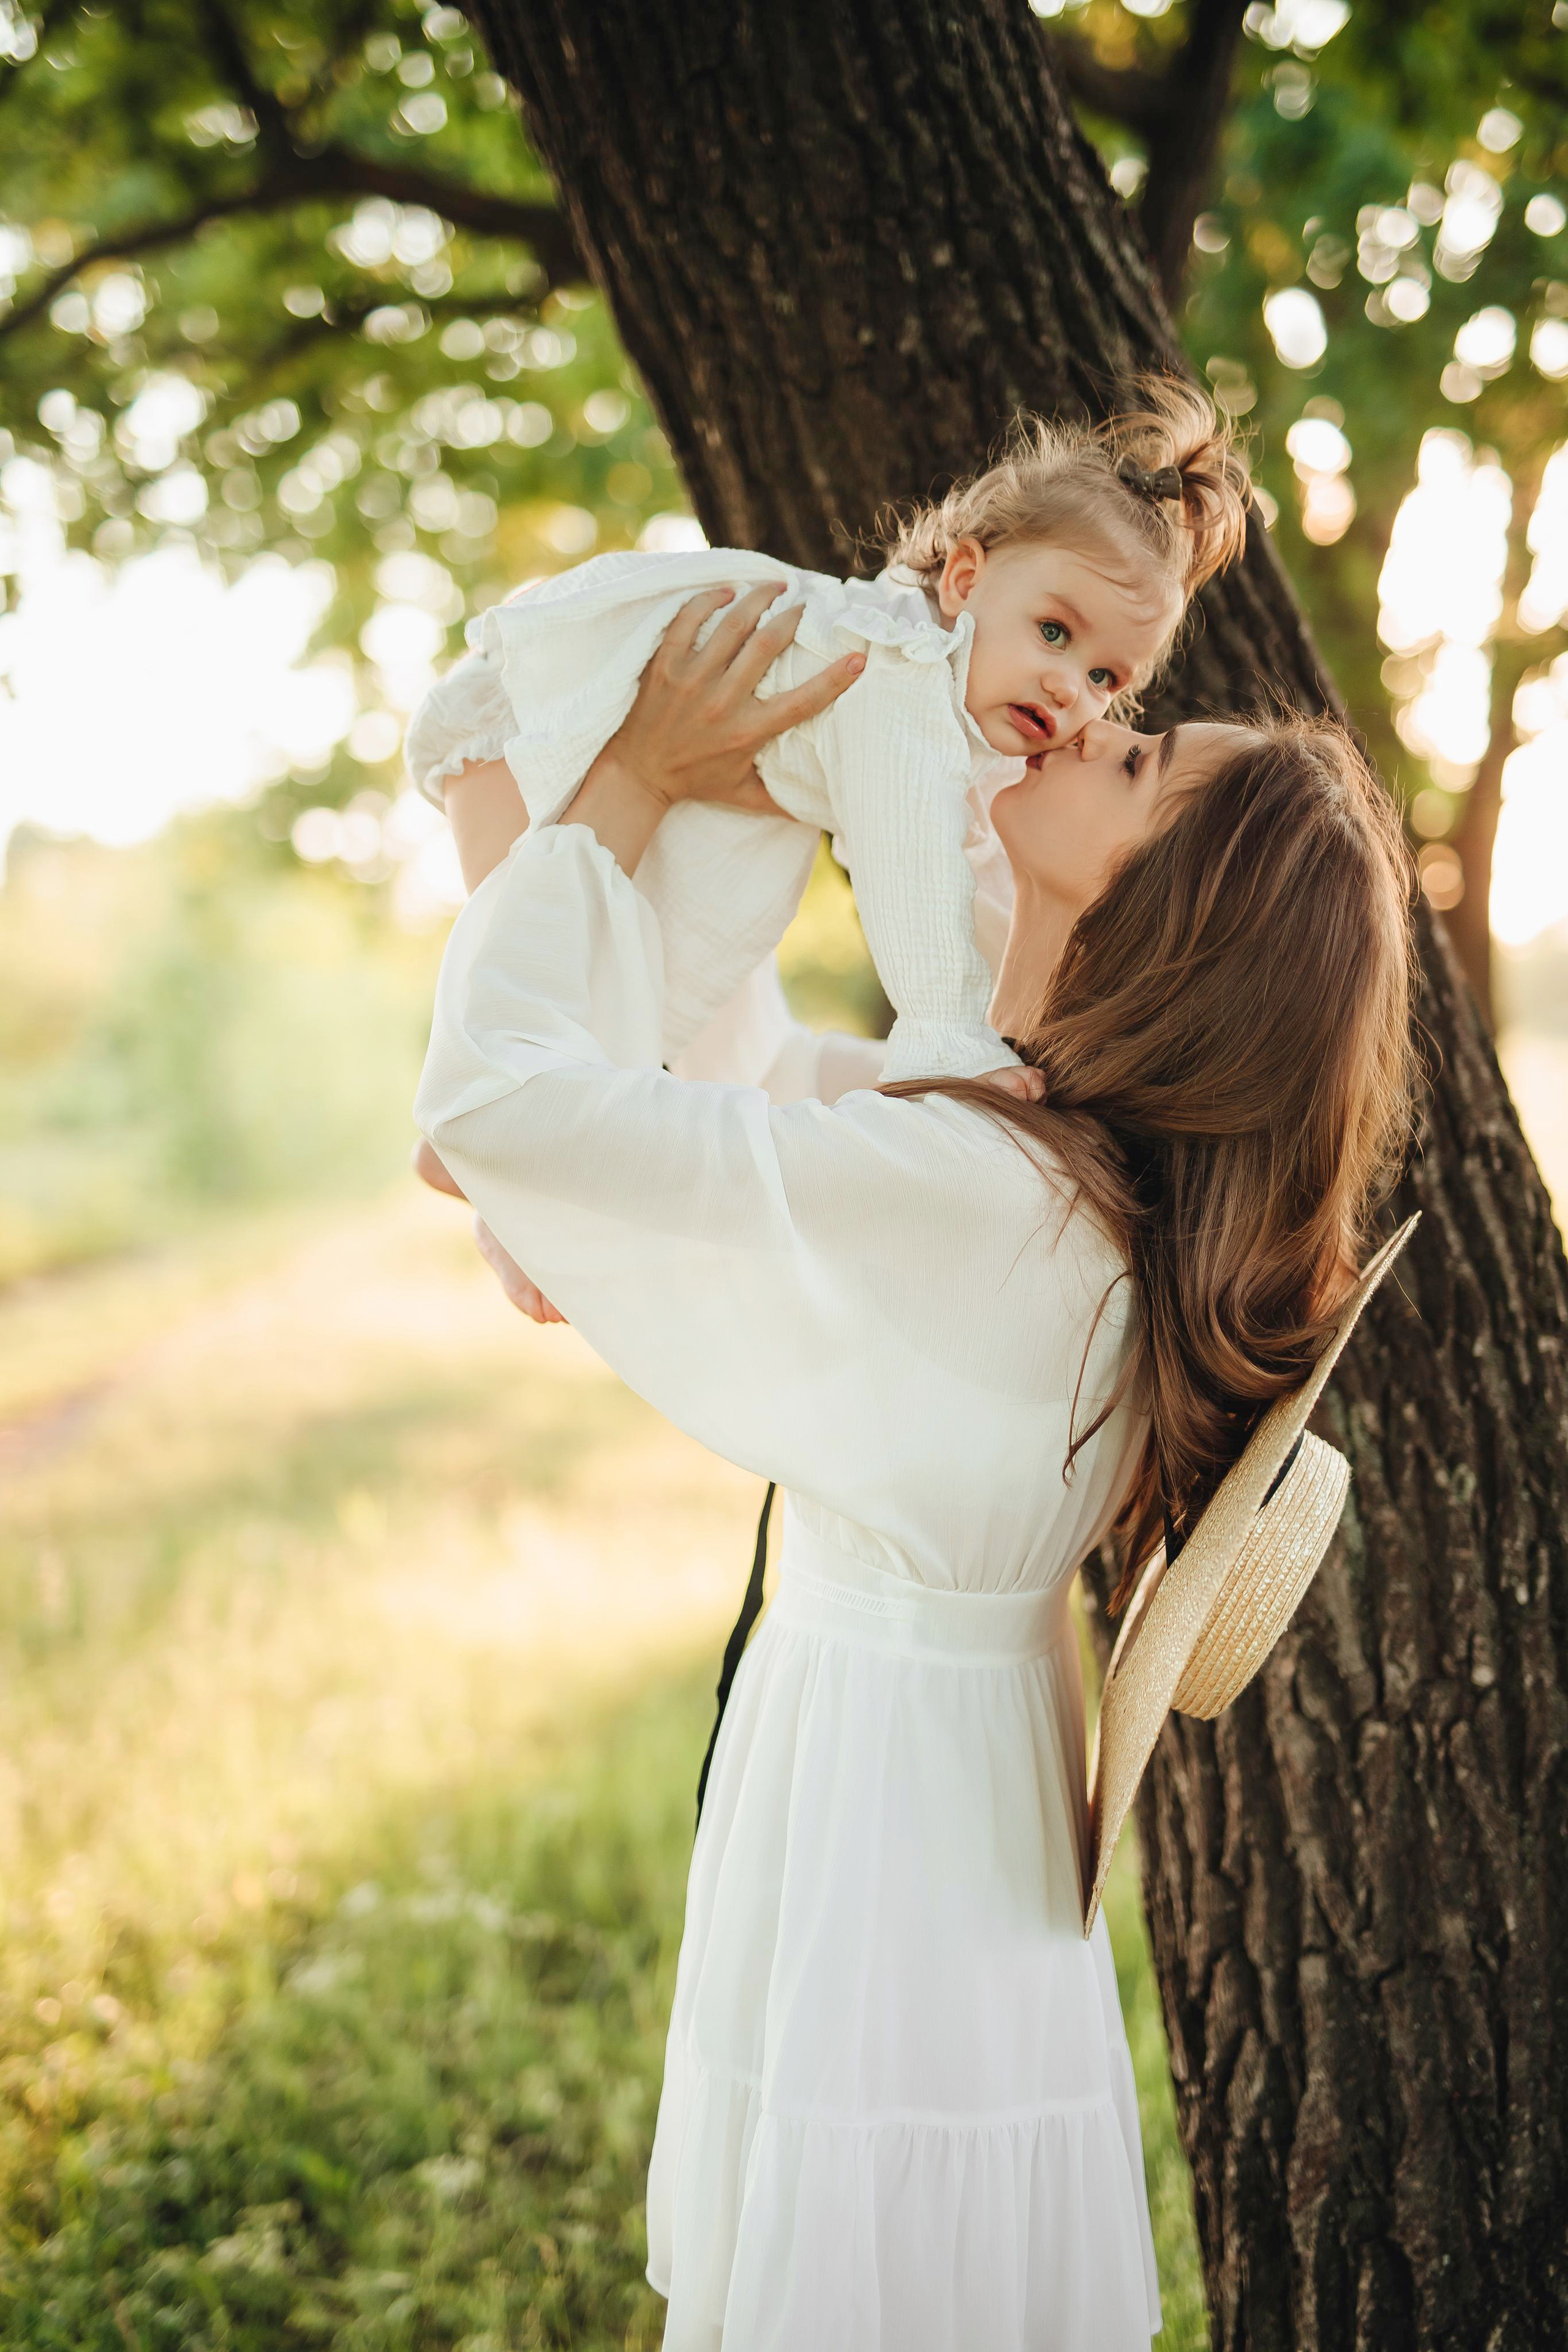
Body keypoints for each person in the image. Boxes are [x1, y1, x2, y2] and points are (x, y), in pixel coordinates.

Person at [412, 598, 1417, 2348]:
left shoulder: (987, 1195)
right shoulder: (1038, 1152)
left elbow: (502, 1106)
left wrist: (627, 791)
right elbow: (753, 1098)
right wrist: (739, 799)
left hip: (900, 1810)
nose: (1102, 721)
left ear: (1172, 914)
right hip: (936, 1777)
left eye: (1147, 757)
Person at [404, 379, 1250, 1085]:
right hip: (531, 732)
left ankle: (485, 1156)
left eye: (1106, 678)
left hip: (634, 773)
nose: (1070, 688)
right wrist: (949, 1037)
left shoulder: (963, 717)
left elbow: (987, 884)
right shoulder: (897, 672)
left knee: (610, 1013)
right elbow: (911, 877)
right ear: (963, 579)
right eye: (1055, 633)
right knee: (535, 1025)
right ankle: (483, 1176)